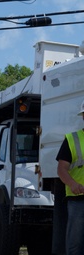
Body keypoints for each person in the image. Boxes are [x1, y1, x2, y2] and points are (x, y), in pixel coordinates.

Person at [57, 99, 84, 255]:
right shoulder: (72, 139)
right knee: (75, 244)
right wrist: (72, 184)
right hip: (78, 198)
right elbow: (61, 169)